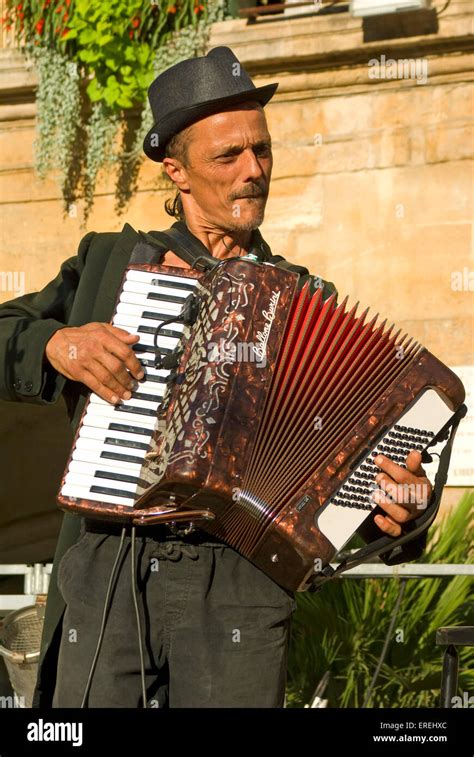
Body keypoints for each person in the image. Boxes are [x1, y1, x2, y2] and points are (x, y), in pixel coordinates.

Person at [0, 46, 433, 708]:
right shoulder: (108, 265)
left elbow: (342, 496)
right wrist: (56, 342)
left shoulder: (306, 300)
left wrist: (396, 512)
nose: (254, 171)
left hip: (240, 584)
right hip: (111, 565)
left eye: (261, 150)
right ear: (176, 170)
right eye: (228, 156)